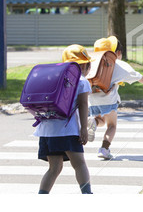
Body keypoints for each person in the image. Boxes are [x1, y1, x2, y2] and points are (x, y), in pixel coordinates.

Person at [34, 44, 93, 194]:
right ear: (86, 65)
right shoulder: (81, 80)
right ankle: (87, 195)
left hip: (46, 130)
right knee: (79, 164)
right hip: (67, 130)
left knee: (54, 168)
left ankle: (41, 196)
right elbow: (83, 105)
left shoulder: (52, 77)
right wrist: (84, 129)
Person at [87, 36, 143, 160]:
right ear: (116, 52)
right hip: (108, 100)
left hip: (92, 99)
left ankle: (93, 122)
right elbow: (136, 76)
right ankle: (104, 149)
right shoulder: (118, 64)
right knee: (111, 126)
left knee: (100, 120)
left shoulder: (92, 62)